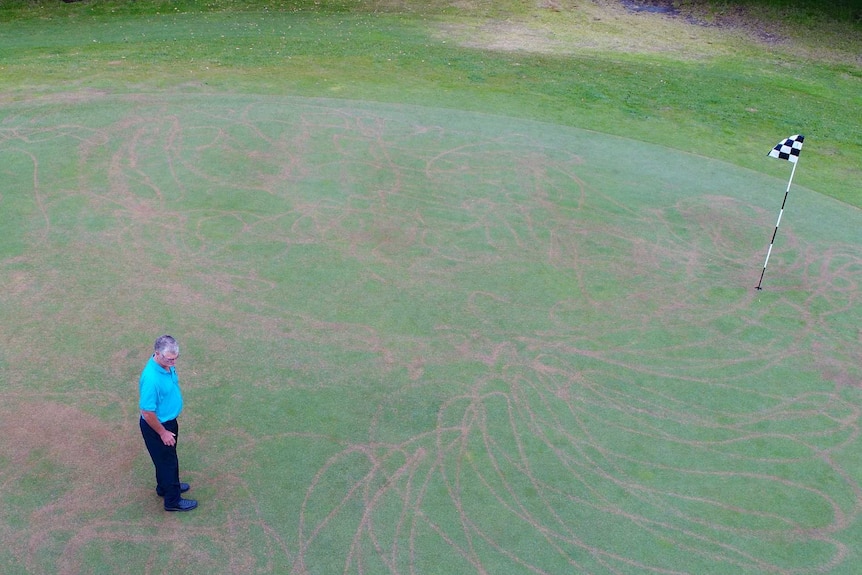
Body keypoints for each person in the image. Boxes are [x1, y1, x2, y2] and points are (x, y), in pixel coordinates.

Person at [139, 334, 198, 512]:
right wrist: (163, 432)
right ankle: (173, 501)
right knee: (168, 462)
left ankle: (164, 488)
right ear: (157, 353)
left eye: (175, 358)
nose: (174, 362)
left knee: (164, 460)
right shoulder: (151, 378)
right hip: (158, 426)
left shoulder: (166, 365)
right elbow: (147, 412)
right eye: (170, 359)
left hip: (167, 422)